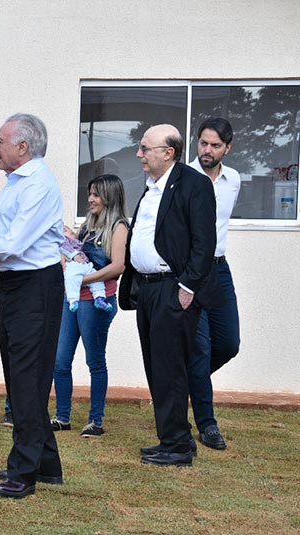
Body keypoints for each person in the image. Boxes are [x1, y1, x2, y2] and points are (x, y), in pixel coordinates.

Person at [0, 113, 65, 499]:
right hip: (16, 287)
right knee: (22, 375)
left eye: (0, 141)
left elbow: (14, 241)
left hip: (33, 287)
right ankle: (46, 462)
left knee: (27, 378)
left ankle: (23, 473)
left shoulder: (38, 183)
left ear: (23, 147)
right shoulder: (18, 181)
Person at [119, 124, 223, 467]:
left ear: (168, 152)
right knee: (156, 366)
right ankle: (174, 437)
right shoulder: (151, 187)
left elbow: (204, 243)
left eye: (145, 148)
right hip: (148, 289)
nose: (139, 154)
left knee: (171, 368)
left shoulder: (194, 185)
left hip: (172, 289)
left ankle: (177, 446)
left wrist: (187, 287)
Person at [51, 174, 129, 438]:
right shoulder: (87, 226)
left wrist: (84, 280)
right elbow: (74, 256)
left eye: (96, 194)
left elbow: (118, 266)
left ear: (109, 196)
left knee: (94, 361)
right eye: (90, 194)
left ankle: (95, 420)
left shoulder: (118, 227)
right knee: (60, 360)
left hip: (97, 301)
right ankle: (62, 417)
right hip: (73, 298)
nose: (91, 199)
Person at [187, 117, 241, 450]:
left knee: (228, 343)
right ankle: (207, 424)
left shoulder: (233, 180)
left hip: (219, 269)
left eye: (215, 145)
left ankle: (183, 382)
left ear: (227, 148)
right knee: (200, 348)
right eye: (203, 143)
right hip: (192, 271)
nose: (207, 150)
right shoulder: (183, 178)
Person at [59, 227, 114, 313]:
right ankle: (73, 300)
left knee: (97, 279)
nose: (70, 231)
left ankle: (99, 298)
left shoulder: (77, 242)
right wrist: (74, 255)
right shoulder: (64, 240)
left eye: (70, 229)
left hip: (86, 265)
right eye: (65, 230)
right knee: (71, 279)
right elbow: (64, 247)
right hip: (73, 265)